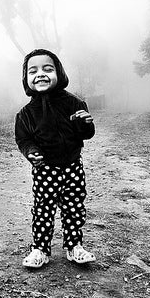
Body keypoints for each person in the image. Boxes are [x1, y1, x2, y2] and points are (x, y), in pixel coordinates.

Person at [14, 48, 96, 268]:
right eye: (33, 71)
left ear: (59, 73)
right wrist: (30, 152)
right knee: (43, 209)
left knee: (74, 208)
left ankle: (74, 246)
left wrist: (85, 124)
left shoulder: (74, 103)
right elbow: (23, 140)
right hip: (45, 171)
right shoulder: (25, 114)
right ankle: (40, 249)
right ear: (26, 79)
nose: (40, 74)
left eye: (47, 69)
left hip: (72, 167)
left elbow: (87, 134)